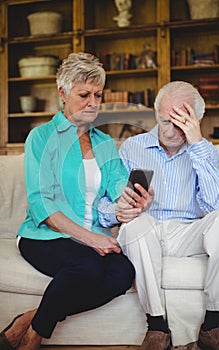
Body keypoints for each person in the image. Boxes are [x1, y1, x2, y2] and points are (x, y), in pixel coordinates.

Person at [0, 52, 135, 350]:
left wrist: (133, 201)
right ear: (62, 93)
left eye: (98, 95)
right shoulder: (41, 137)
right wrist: (93, 240)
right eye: (84, 94)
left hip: (92, 239)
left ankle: (30, 321)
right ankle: (34, 338)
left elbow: (119, 189)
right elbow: (42, 205)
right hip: (45, 236)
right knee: (88, 266)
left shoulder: (104, 143)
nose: (93, 103)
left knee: (123, 272)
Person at [98, 81, 219, 350]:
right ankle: (157, 326)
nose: (171, 131)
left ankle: (213, 323)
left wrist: (195, 143)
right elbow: (104, 204)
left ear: (196, 119)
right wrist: (117, 211)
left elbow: (217, 206)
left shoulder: (204, 150)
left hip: (188, 232)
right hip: (145, 229)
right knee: (136, 225)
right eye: (164, 120)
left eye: (180, 121)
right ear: (155, 114)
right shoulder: (130, 148)